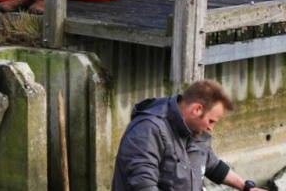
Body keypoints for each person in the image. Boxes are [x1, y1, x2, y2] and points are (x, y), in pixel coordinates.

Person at [112, 79, 265, 191]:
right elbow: (143, 185)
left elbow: (212, 164)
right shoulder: (148, 130)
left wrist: (246, 187)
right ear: (197, 109)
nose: (211, 128)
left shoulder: (194, 130)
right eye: (211, 121)